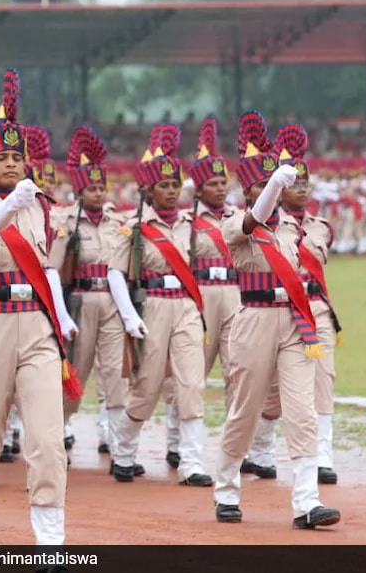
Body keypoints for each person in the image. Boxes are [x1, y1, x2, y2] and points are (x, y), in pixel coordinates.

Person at [0, 69, 80, 547]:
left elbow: (45, 267)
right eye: (0, 158)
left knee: (47, 442)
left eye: (16, 156)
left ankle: (51, 542)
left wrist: (61, 318)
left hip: (36, 330)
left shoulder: (39, 206)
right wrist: (11, 204)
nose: (11, 164)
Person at [211, 110, 340, 529]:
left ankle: (307, 502)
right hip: (254, 318)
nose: (271, 187)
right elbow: (254, 219)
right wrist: (273, 186)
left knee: (301, 409)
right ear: (247, 187)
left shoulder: (291, 226)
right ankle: (226, 488)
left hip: (293, 319)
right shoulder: (234, 219)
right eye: (260, 182)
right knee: (245, 410)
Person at [106, 124, 211, 486]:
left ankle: (193, 462)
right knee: (147, 385)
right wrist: (129, 315)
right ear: (149, 190)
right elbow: (116, 274)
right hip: (151, 307)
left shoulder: (190, 225)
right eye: (163, 186)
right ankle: (124, 452)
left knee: (191, 383)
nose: (171, 191)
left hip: (185, 306)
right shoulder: (132, 227)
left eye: (174, 185)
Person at [162, 118, 240, 470]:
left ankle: (241, 446)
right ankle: (176, 441)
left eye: (224, 181)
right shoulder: (187, 222)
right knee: (191, 374)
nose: (220, 188)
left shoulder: (239, 217)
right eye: (213, 183)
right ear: (198, 189)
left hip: (235, 296)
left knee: (238, 371)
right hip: (202, 295)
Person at [53, 125, 128, 460]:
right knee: (78, 369)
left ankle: (116, 439)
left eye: (102, 187)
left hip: (111, 301)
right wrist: (63, 313)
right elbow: (53, 268)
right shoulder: (66, 222)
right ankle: (61, 428)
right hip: (81, 301)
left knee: (114, 371)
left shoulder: (118, 221)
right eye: (91, 188)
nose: (99, 194)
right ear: (79, 191)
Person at [275, 124, 343, 486]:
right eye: (294, 182)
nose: (301, 188)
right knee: (270, 389)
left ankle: (323, 457)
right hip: (281, 312)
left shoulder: (319, 227)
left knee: (323, 381)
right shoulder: (269, 225)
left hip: (316, 310)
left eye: (306, 182)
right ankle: (258, 450)